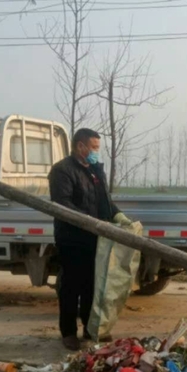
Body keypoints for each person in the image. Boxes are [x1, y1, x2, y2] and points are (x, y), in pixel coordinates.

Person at [49, 128, 132, 351]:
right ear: (80, 147)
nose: (97, 152)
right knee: (71, 286)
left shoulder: (95, 170)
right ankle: (68, 332)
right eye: (94, 147)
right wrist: (92, 222)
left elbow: (105, 200)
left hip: (96, 238)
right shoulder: (62, 171)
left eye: (98, 147)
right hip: (72, 239)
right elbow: (63, 204)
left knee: (92, 286)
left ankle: (90, 327)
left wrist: (118, 215)